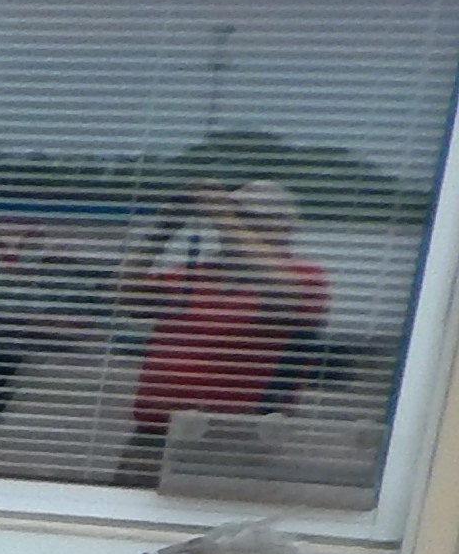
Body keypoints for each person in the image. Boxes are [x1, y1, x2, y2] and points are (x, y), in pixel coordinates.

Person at [118, 178, 329, 485]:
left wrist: (221, 213)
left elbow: (286, 294)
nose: (236, 225)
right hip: (153, 436)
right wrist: (162, 229)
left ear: (284, 227)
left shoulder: (304, 278)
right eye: (237, 216)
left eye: (250, 218)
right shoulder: (191, 275)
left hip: (232, 441)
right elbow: (125, 297)